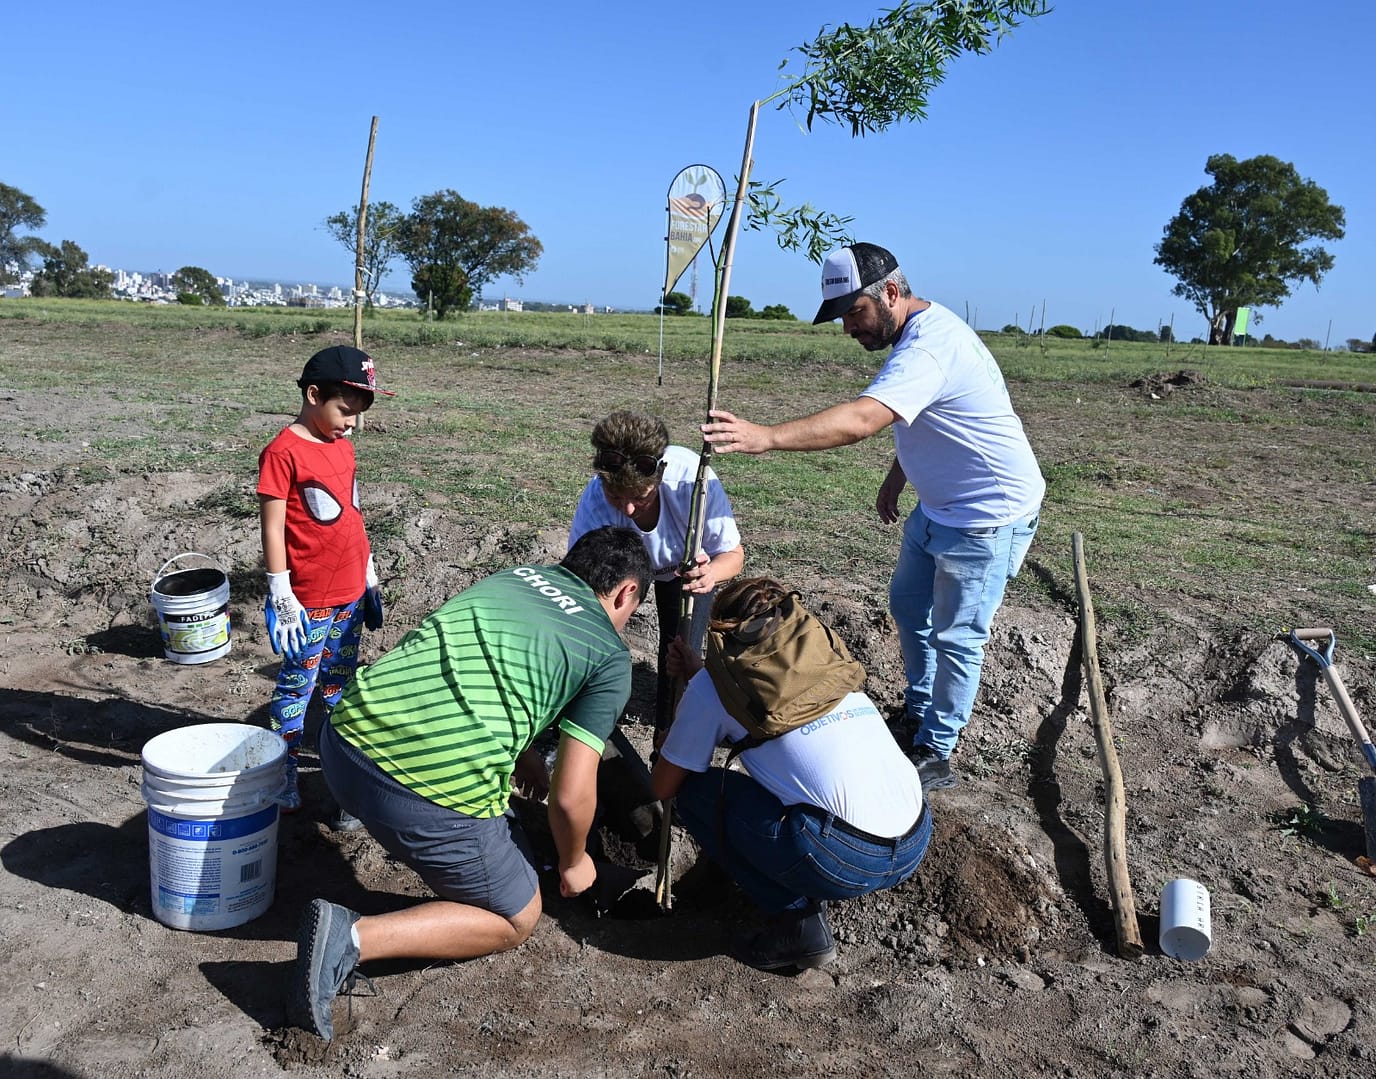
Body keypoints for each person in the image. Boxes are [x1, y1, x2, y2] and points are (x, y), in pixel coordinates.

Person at [701, 243, 1044, 793]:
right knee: (909, 606)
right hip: (939, 507)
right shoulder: (915, 335)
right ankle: (919, 707)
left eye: (852, 312)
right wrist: (899, 473)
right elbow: (923, 416)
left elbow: (864, 418)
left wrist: (764, 438)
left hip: (986, 516)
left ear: (890, 292)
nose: (846, 328)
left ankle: (936, 748)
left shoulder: (930, 348)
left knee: (959, 636)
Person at [289, 526, 653, 1041]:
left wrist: (521, 755)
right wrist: (574, 862)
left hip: (342, 745)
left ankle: (373, 816)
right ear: (626, 593)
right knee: (516, 915)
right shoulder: (610, 656)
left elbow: (467, 671)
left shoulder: (514, 580)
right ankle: (349, 938)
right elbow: (571, 796)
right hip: (416, 792)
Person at [650, 576, 929, 972]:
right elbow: (754, 704)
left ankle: (797, 923)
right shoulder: (823, 660)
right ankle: (750, 869)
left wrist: (670, 748)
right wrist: (698, 673)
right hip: (914, 837)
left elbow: (663, 785)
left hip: (845, 860)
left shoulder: (714, 687)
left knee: (696, 790)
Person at [257, 345, 393, 813]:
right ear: (314, 394)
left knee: (340, 687)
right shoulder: (282, 453)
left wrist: (368, 573)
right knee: (297, 688)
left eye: (357, 414)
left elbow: (352, 513)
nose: (351, 422)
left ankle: (342, 780)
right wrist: (281, 591)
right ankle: (281, 772)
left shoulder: (343, 447)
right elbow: (273, 526)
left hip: (351, 595)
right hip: (309, 601)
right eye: (344, 410)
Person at [569, 411, 744, 734]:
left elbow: (733, 555)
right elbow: (582, 583)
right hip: (624, 564)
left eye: (640, 497)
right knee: (593, 635)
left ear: (659, 477)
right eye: (617, 498)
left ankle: (669, 737)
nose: (629, 509)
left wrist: (710, 575)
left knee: (681, 651)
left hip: (687, 571)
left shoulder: (692, 482)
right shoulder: (596, 498)